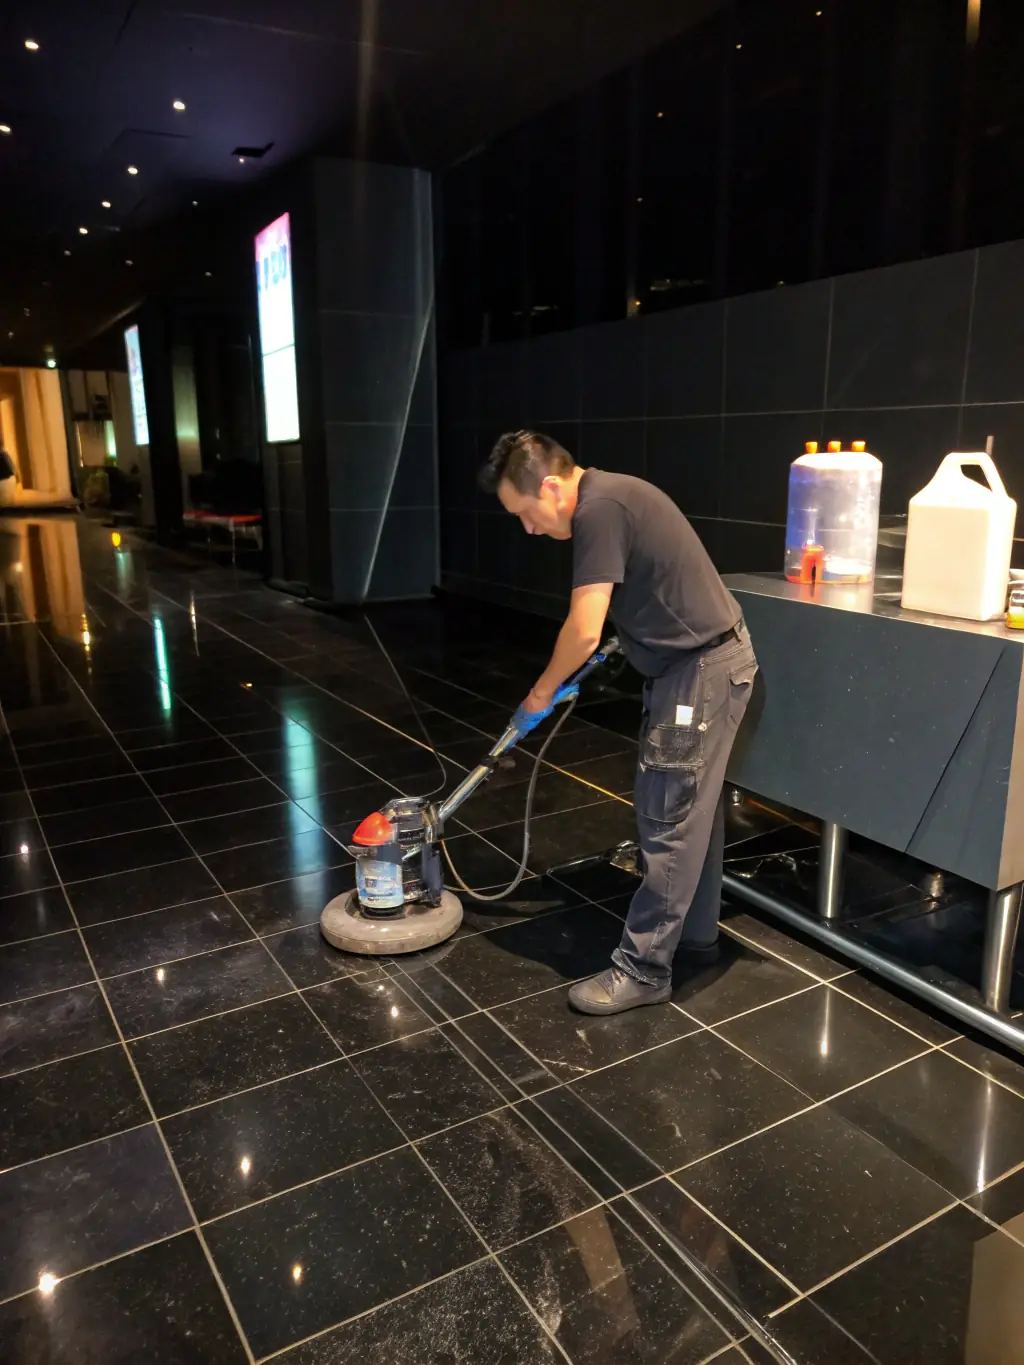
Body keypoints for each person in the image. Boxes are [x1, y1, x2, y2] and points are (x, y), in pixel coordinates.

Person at [479, 430, 757, 1016]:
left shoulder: (598, 510)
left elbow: (582, 628)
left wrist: (539, 693)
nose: (529, 530)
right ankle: (696, 938)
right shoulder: (612, 495)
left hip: (699, 671)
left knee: (669, 819)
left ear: (551, 487)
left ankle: (644, 970)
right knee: (689, 813)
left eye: (526, 514)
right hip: (701, 663)